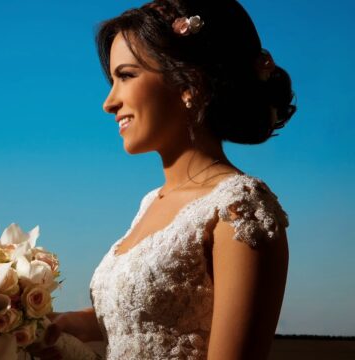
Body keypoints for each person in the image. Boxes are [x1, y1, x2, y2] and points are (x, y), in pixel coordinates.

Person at [28, 0, 296, 359]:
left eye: (125, 75)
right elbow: (156, 318)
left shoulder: (240, 207)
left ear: (189, 84)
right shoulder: (151, 202)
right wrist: (60, 326)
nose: (109, 102)